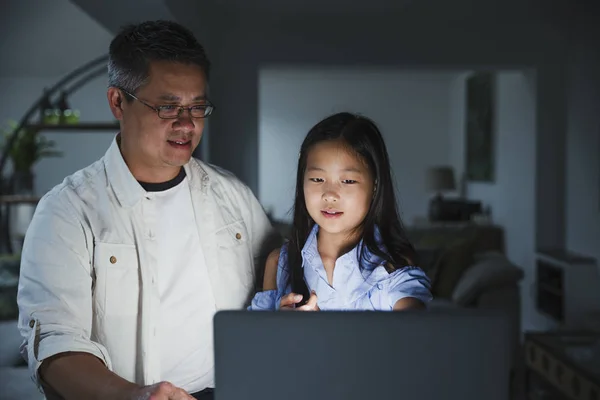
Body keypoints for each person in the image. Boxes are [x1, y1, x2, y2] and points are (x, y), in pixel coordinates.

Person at [17, 20, 278, 400]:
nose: (187, 124)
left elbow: (277, 284)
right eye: (168, 106)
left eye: (197, 107)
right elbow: (56, 346)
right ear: (117, 102)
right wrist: (134, 396)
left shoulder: (233, 196)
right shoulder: (66, 211)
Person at [249, 112, 431, 312]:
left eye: (348, 181)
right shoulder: (278, 263)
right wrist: (280, 330)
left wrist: (318, 333)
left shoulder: (394, 267)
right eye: (317, 179)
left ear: (375, 186)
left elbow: (414, 341)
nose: (330, 195)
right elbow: (258, 341)